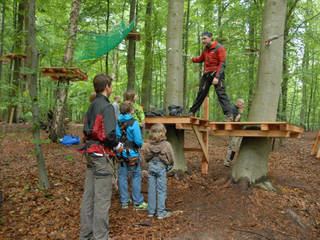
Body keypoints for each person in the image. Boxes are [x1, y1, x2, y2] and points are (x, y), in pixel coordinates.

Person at [79, 74, 121, 240]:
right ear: (107, 87)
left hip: (90, 154)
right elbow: (110, 135)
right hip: (101, 155)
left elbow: (87, 130)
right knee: (102, 199)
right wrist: (118, 146)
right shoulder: (107, 107)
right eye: (110, 86)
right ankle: (101, 237)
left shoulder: (92, 105)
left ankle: (86, 235)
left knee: (89, 197)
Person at [189, 31, 233, 121]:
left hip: (217, 74)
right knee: (201, 93)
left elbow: (222, 63)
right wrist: (193, 59)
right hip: (207, 74)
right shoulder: (205, 49)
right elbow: (201, 59)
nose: (203, 41)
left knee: (221, 94)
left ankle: (230, 115)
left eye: (205, 38)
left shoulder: (219, 48)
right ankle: (192, 112)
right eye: (202, 39)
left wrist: (217, 77)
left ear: (210, 38)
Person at [116, 101, 147, 210]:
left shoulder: (117, 122)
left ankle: (124, 201)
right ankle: (137, 202)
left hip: (120, 153)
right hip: (132, 154)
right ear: (131, 110)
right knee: (135, 176)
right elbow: (138, 141)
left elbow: (116, 136)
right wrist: (141, 145)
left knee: (122, 177)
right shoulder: (134, 123)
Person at [144, 123, 174, 220]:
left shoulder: (148, 145)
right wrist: (170, 165)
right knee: (161, 190)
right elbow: (171, 158)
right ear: (163, 133)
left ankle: (150, 211)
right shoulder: (166, 145)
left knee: (151, 190)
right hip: (161, 168)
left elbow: (146, 157)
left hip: (151, 167)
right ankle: (161, 212)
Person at [224, 98, 245, 167]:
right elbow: (235, 120)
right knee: (232, 147)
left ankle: (229, 161)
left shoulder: (235, 109)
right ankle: (227, 163)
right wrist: (240, 113)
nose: (243, 106)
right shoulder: (233, 109)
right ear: (238, 103)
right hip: (233, 131)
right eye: (242, 104)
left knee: (235, 147)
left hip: (236, 130)